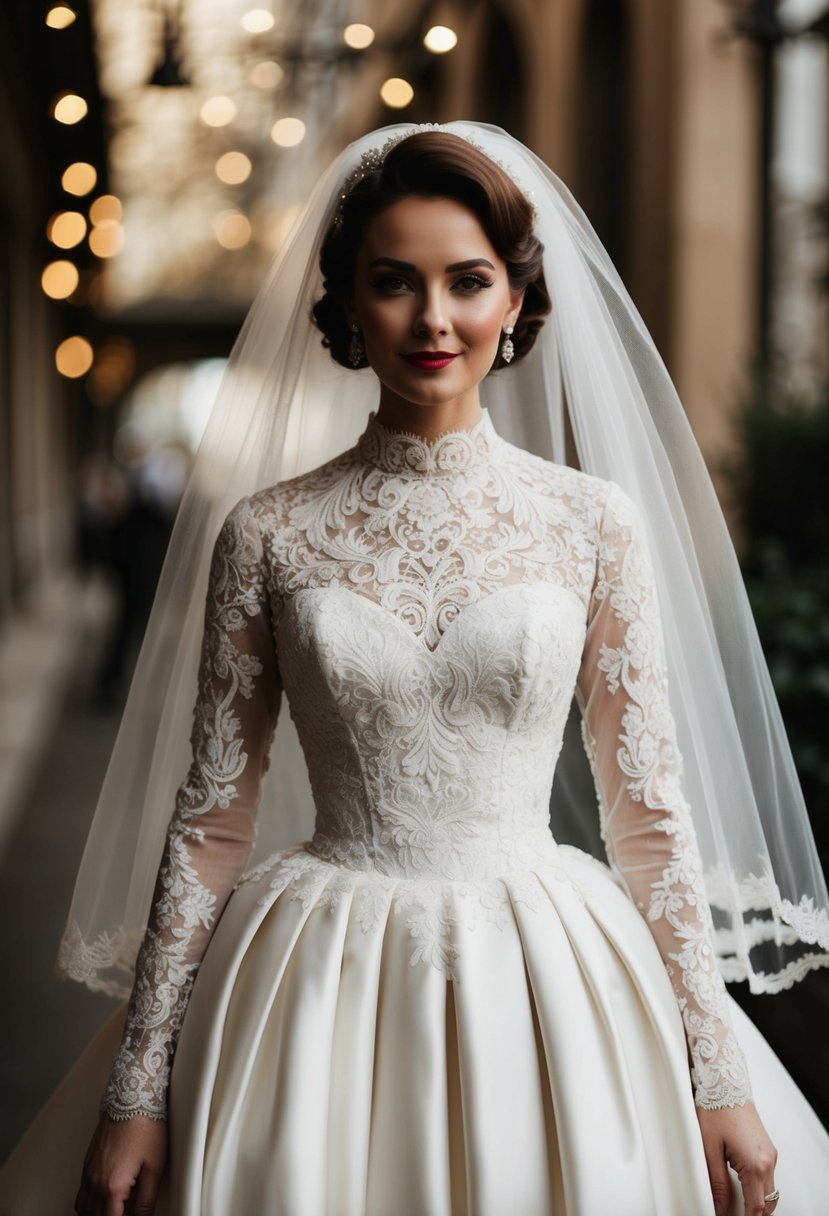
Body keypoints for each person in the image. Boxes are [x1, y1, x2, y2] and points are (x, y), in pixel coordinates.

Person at [2, 123, 828, 1216]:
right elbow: (209, 821)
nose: (433, 320)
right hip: (316, 979)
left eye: (467, 282)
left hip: (546, 978)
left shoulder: (590, 522)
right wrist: (139, 1088)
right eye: (393, 283)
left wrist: (715, 1070)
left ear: (518, 304)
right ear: (346, 304)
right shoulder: (268, 533)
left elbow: (648, 814)